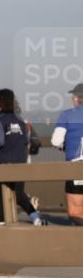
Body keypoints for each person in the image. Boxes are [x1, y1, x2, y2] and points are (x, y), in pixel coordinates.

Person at [0, 88, 44, 226]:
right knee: (18, 193)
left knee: (0, 195)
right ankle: (35, 217)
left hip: (2, 162)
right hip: (19, 161)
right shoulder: (20, 120)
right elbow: (25, 140)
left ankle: (0, 223)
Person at [52, 83, 83, 226]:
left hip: (76, 166)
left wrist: (65, 145)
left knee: (75, 212)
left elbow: (56, 141)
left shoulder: (68, 115)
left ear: (77, 98)